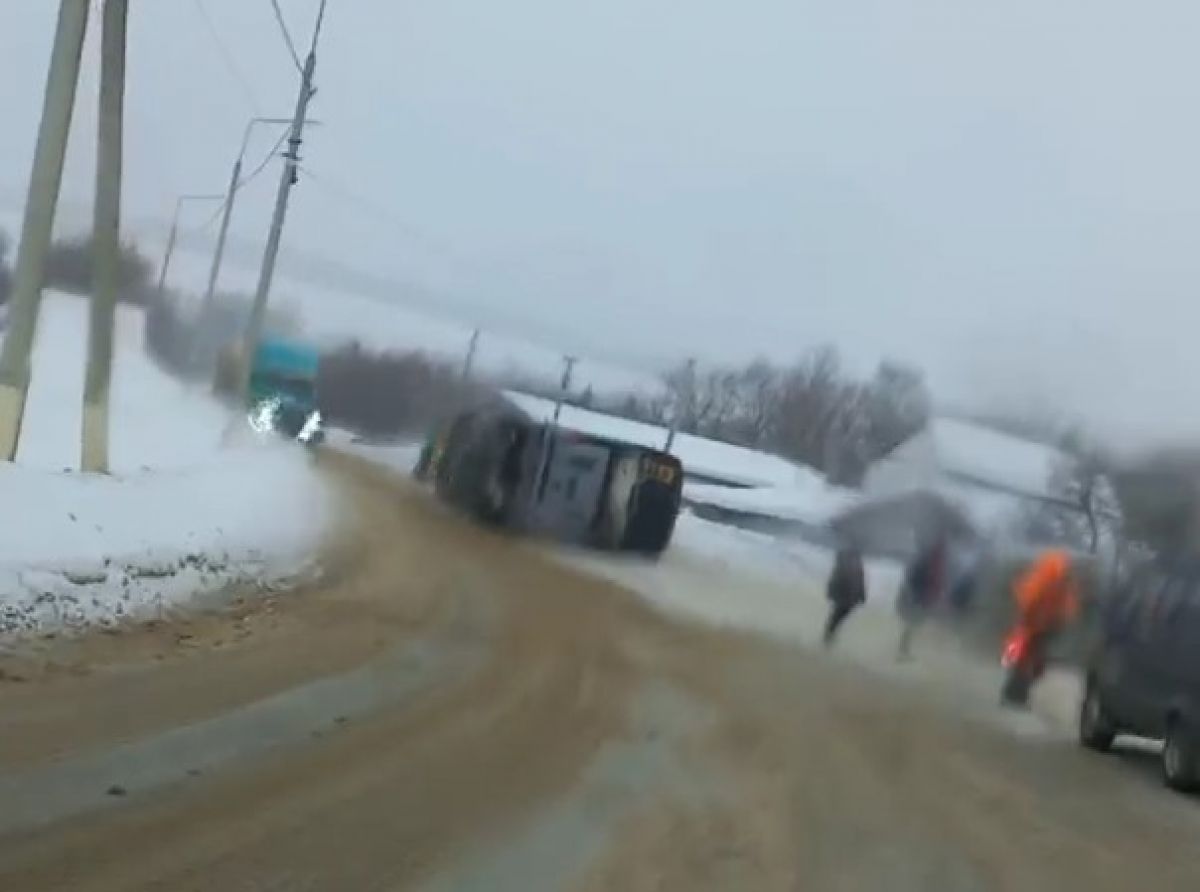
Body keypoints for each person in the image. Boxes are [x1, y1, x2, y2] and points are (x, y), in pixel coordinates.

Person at [896, 536, 946, 660]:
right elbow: (915, 577)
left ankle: (904, 649)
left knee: (914, 624)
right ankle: (903, 650)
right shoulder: (926, 561)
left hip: (921, 596)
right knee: (912, 623)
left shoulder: (931, 561)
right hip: (918, 596)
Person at [824, 544, 867, 647]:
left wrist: (862, 595)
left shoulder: (853, 564)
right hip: (846, 597)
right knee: (836, 618)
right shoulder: (848, 564)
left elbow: (860, 581)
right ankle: (828, 639)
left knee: (836, 618)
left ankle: (829, 638)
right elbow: (836, 580)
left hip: (849, 598)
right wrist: (862, 596)